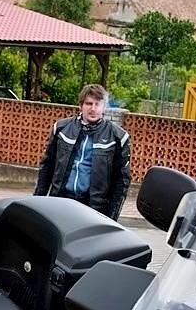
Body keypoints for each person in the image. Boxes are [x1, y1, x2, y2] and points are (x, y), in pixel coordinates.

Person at [34, 83, 131, 218]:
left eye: (97, 104)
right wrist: (38, 201)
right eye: (88, 103)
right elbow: (47, 166)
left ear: (103, 107)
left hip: (93, 208)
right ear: (81, 105)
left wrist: (111, 218)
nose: (93, 108)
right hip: (60, 200)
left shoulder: (118, 137)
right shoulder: (61, 128)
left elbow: (121, 181)